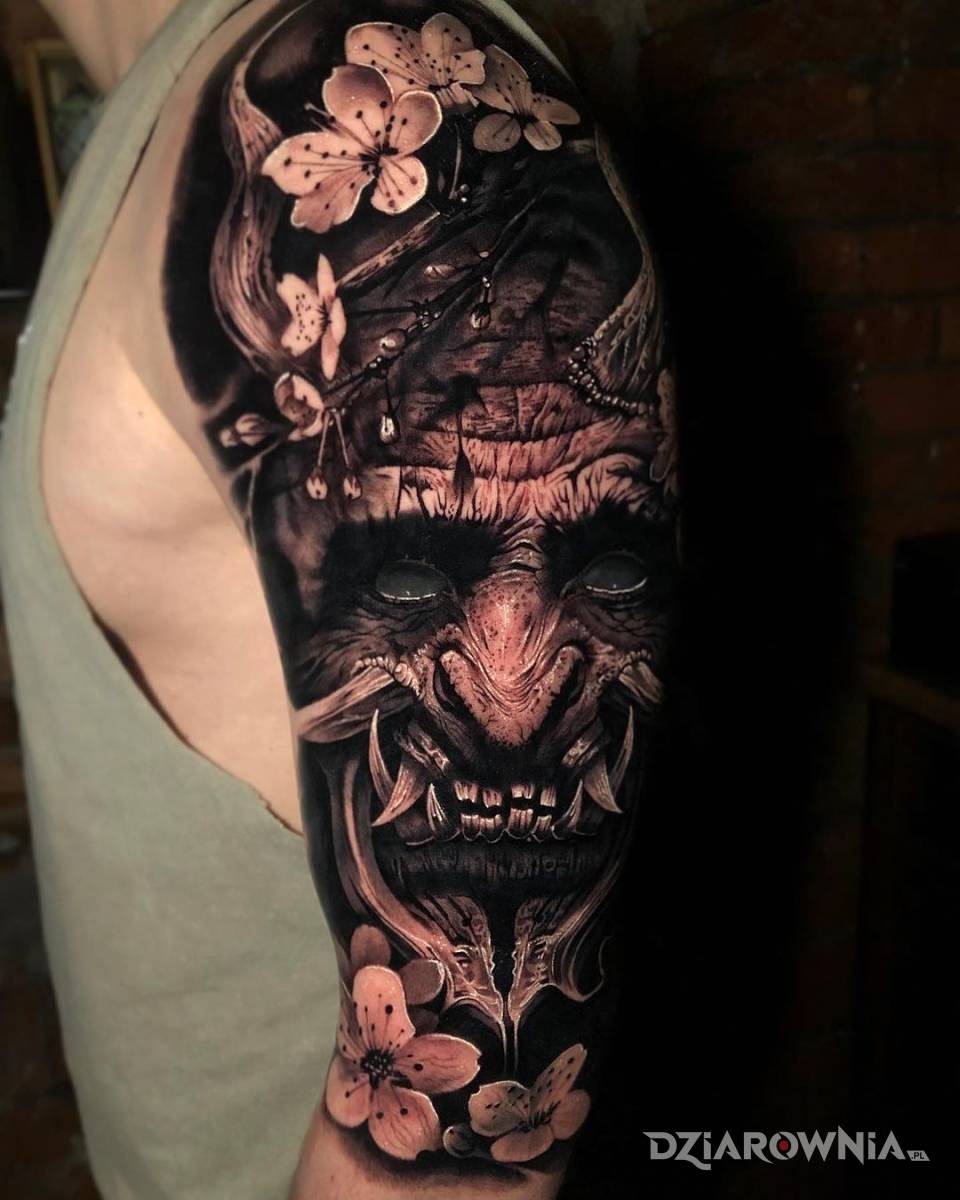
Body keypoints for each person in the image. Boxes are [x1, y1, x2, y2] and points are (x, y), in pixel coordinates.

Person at [0, 2, 677, 1196]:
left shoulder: (389, 122)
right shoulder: (188, 117)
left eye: (595, 572)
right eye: (411, 575)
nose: (512, 695)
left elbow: (473, 1136)